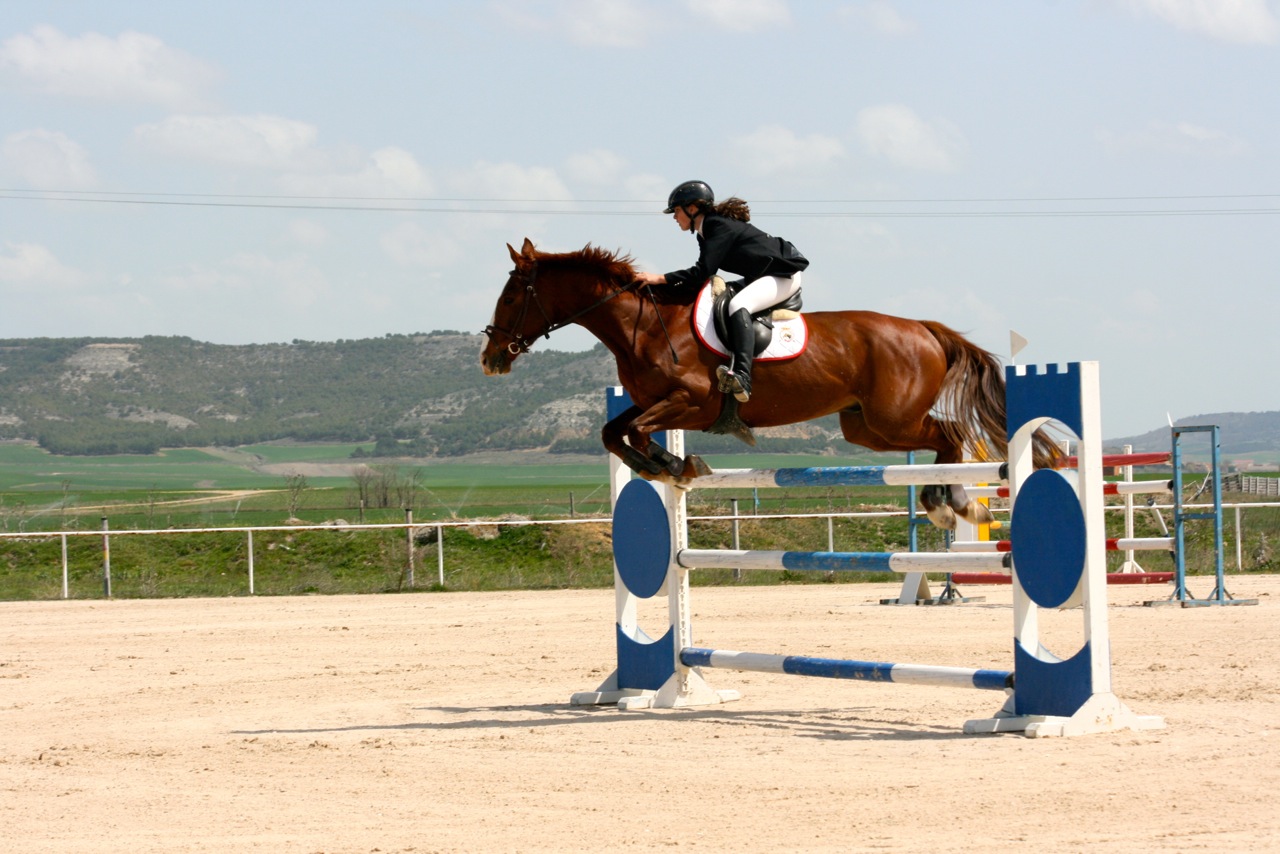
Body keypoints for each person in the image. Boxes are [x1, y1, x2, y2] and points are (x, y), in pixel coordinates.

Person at [634, 180, 808, 403]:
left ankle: (743, 375)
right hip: (761, 276)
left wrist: (661, 278)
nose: (675, 217)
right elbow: (701, 277)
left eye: (677, 211)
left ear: (693, 208)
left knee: (739, 305)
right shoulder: (704, 232)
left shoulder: (717, 226)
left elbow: (702, 272)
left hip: (783, 276)